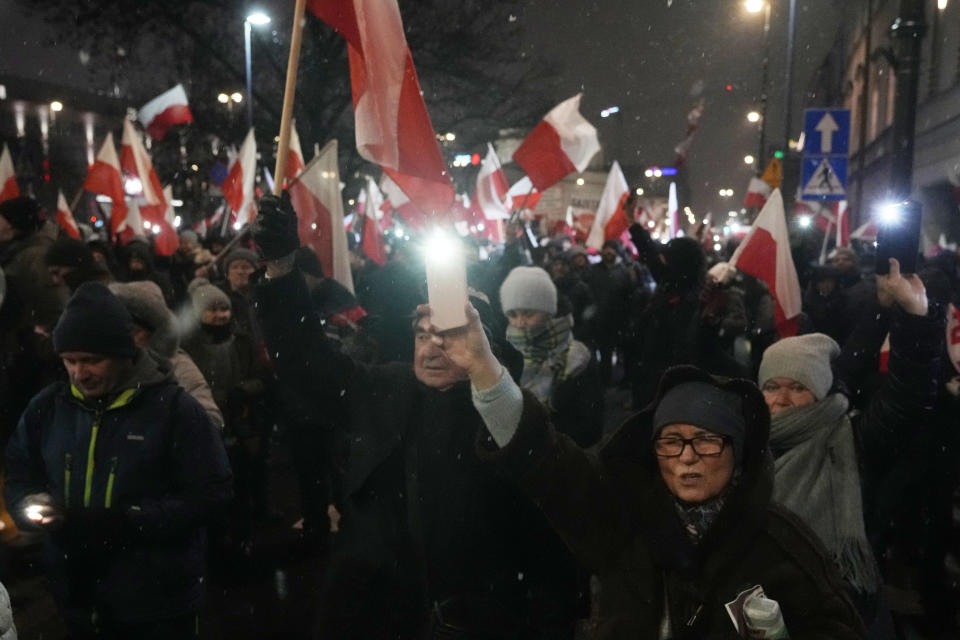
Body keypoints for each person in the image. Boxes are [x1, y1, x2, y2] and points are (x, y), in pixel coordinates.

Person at [252, 194, 582, 639]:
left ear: (483, 348)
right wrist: (281, 270)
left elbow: (547, 548)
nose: (430, 347)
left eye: (448, 336)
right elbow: (304, 360)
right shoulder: (382, 388)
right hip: (371, 615)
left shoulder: (509, 418)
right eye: (422, 333)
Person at [429, 304, 865, 638]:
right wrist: (485, 370)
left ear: (738, 454)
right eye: (672, 441)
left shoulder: (783, 547)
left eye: (708, 441)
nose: (688, 457)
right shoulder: (623, 521)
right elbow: (545, 459)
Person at [4, 282, 232, 638]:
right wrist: (29, 504)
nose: (80, 373)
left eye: (92, 360)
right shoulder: (46, 409)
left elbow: (211, 495)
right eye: (70, 361)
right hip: (76, 595)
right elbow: (20, 471)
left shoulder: (174, 410)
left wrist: (125, 523)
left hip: (156, 601)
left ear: (124, 353)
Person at [758, 258, 942, 623]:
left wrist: (916, 317)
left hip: (836, 611)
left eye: (798, 388)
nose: (782, 400)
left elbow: (907, 396)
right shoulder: (744, 443)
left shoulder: (852, 438)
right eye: (772, 387)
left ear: (820, 392)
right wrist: (879, 308)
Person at [181, 277, 269, 552]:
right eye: (211, 309)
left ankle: (243, 535)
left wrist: (245, 390)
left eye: (224, 309)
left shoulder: (242, 341)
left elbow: (261, 377)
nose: (219, 316)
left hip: (239, 421)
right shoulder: (187, 346)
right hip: (204, 422)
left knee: (241, 478)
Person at [499, 266, 602, 447]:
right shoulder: (505, 354)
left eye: (529, 313)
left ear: (549, 312)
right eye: (512, 314)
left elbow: (590, 429)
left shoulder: (577, 358)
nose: (520, 323)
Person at [108, 280, 223, 430]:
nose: (126, 338)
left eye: (134, 331)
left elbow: (209, 419)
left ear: (155, 332)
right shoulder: (104, 363)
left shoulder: (177, 365)